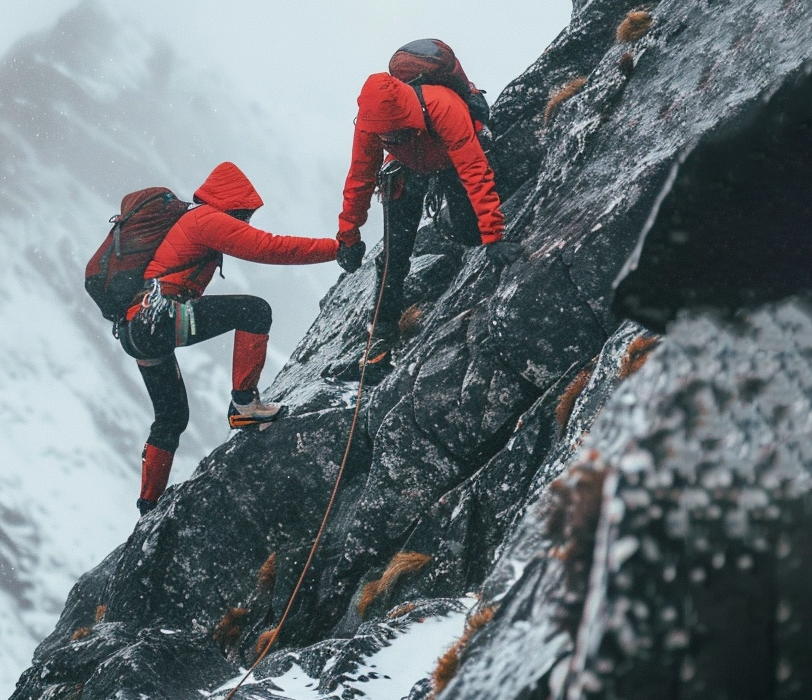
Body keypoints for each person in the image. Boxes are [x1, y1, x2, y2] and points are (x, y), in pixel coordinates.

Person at [120, 162, 343, 515]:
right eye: (245, 215)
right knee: (254, 311)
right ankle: (244, 404)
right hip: (160, 318)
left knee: (171, 418)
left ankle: (148, 505)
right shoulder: (208, 220)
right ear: (233, 205)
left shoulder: (194, 220)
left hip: (137, 328)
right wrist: (336, 249)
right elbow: (270, 248)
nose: (246, 224)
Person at [334, 40, 524, 381]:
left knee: (470, 233)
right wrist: (348, 238)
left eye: (394, 132)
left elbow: (474, 171)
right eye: (385, 135)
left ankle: (449, 219)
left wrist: (493, 237)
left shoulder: (444, 107)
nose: (388, 137)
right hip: (407, 165)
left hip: (449, 158)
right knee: (393, 258)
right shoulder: (371, 125)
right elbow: (359, 178)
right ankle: (378, 346)